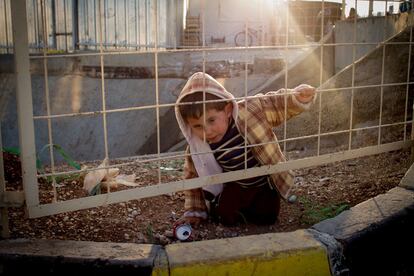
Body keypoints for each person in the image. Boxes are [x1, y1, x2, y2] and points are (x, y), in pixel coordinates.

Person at [174, 72, 316, 226]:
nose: (207, 131)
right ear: (188, 125)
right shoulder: (197, 149)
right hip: (235, 185)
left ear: (228, 110)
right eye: (197, 126)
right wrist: (195, 211)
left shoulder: (250, 112)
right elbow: (193, 179)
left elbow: (275, 102)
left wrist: (296, 97)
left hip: (264, 182)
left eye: (211, 120)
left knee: (267, 218)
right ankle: (220, 206)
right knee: (224, 218)